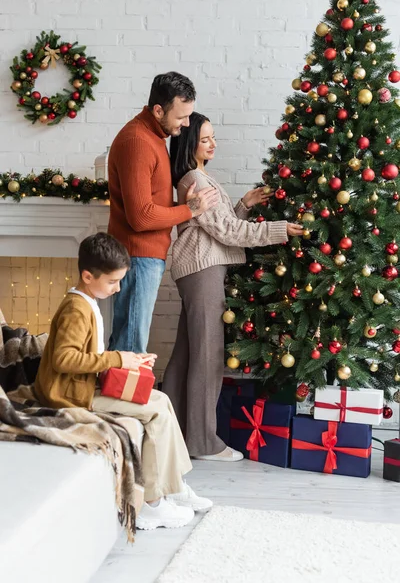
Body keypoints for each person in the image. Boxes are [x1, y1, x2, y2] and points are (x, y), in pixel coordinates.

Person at [35, 232, 212, 530]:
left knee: (161, 400)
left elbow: (92, 353)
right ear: (88, 276)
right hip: (70, 394)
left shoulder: (88, 301)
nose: (118, 289)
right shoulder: (76, 309)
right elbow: (64, 360)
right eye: (112, 282)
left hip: (84, 384)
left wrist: (129, 359)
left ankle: (174, 485)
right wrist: (119, 360)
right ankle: (152, 504)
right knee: (154, 411)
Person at [162, 113, 304, 462]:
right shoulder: (195, 179)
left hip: (200, 268)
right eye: (206, 138)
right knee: (208, 357)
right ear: (189, 142)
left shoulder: (198, 177)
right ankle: (202, 443)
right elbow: (228, 234)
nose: (213, 144)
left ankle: (173, 433)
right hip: (204, 271)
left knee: (186, 355)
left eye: (213, 138)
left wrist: (242, 205)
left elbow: (218, 228)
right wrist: (278, 229)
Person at [107, 72, 219, 354]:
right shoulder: (138, 142)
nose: (185, 123)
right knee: (130, 345)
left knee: (129, 339)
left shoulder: (155, 136)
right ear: (158, 110)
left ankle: (121, 396)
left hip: (146, 255)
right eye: (181, 117)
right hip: (137, 256)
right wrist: (190, 210)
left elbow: (151, 199)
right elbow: (141, 216)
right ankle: (123, 398)